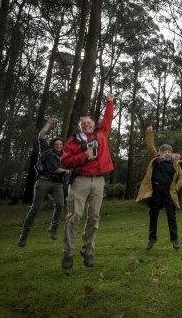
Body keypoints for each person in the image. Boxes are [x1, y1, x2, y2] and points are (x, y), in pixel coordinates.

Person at [60, 92, 115, 269]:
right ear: (80, 127)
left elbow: (107, 118)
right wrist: (83, 156)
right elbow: (65, 161)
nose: (87, 125)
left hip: (98, 181)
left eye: (89, 122)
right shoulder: (73, 141)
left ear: (94, 125)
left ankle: (88, 250)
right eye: (83, 124)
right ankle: (68, 253)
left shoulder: (102, 134)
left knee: (94, 217)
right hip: (80, 181)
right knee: (74, 216)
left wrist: (110, 102)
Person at [18, 117, 69, 247]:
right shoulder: (46, 151)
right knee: (35, 209)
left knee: (60, 205)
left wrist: (65, 171)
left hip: (57, 184)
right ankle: (24, 235)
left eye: (60, 144)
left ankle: (53, 229)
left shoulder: (64, 157)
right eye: (56, 144)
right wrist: (48, 123)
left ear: (63, 146)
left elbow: (70, 167)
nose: (58, 146)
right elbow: (41, 135)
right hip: (43, 182)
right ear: (53, 145)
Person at [136, 126, 182, 250]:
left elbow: (181, 178)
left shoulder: (175, 164)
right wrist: (149, 133)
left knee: (171, 216)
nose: (167, 153)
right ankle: (152, 238)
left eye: (169, 151)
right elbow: (151, 147)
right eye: (165, 151)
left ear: (171, 154)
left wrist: (176, 188)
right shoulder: (157, 160)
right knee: (153, 214)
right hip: (156, 191)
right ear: (161, 153)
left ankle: (174, 239)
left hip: (169, 192)